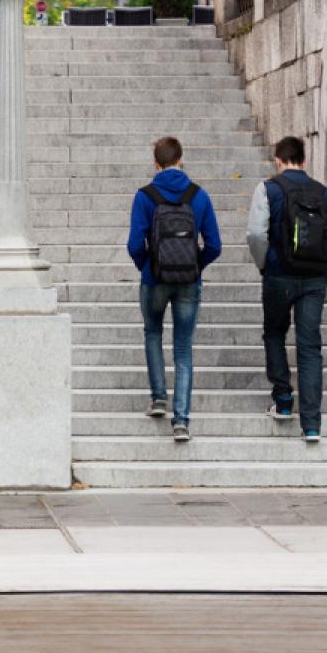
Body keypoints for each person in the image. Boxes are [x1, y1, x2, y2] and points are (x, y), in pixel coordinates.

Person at [247, 136, 327, 444]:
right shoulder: (325, 194)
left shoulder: (268, 189)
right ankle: (312, 425)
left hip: (279, 275)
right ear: (304, 161)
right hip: (314, 280)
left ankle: (282, 400)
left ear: (277, 160)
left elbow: (255, 233)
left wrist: (265, 264)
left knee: (275, 334)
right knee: (310, 346)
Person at [126, 136, 222, 441]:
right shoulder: (199, 196)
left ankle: (158, 399)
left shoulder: (145, 196)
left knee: (152, 333)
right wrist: (195, 265)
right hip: (187, 283)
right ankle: (181, 421)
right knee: (183, 348)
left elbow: (133, 245)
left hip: (154, 281)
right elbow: (215, 246)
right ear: (181, 159)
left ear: (155, 164)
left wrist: (148, 267)